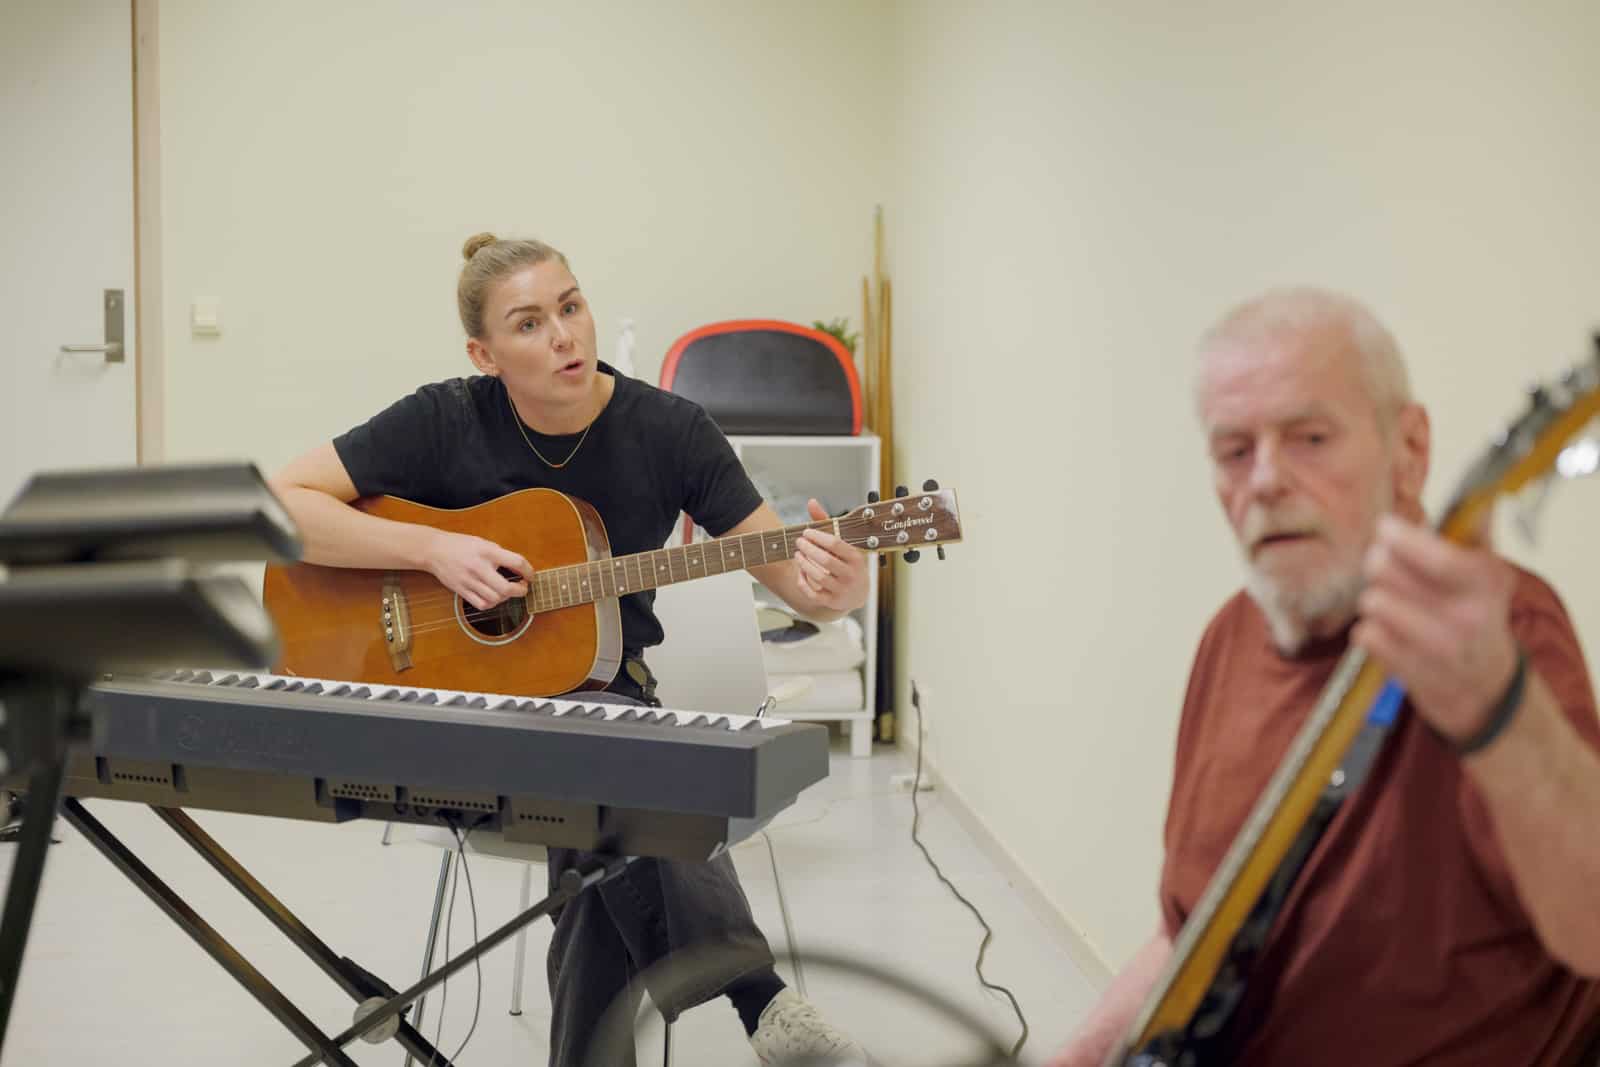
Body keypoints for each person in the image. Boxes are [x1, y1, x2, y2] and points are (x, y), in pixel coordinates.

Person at [269, 233, 871, 1067]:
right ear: (485, 353)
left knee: (594, 839)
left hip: (605, 713)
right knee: (618, 779)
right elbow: (281, 505)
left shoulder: (672, 433)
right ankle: (757, 996)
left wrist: (843, 584)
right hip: (450, 719)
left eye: (571, 305)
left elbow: (799, 579)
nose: (564, 335)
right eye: (529, 322)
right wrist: (432, 551)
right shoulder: (446, 419)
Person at [1049, 288, 1600, 1066]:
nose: (1265, 480)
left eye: (1309, 437)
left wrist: (1500, 710)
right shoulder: (1229, 636)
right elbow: (1195, 931)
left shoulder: (1501, 636)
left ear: (1409, 449)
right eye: (1234, 450)